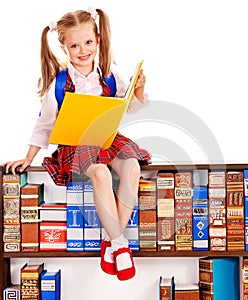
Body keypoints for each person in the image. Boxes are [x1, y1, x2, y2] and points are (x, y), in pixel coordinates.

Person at [2, 8, 151, 281]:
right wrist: (28, 156)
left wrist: (138, 91)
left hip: (106, 140)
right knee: (101, 173)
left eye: (88, 43)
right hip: (77, 145)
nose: (83, 50)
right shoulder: (58, 83)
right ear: (64, 47)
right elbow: (44, 123)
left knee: (131, 166)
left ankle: (110, 240)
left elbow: (128, 107)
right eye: (74, 45)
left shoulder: (109, 75)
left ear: (98, 39)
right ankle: (119, 245)